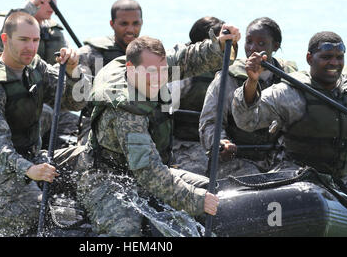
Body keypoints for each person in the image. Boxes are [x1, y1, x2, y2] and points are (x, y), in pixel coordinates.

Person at [57, 28, 240, 237]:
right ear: (131, 68)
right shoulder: (125, 111)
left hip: (146, 169)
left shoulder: (149, 69)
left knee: (213, 189)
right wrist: (196, 200)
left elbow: (187, 57)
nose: (159, 78)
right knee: (125, 230)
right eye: (152, 72)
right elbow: (149, 172)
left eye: (163, 71)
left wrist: (220, 45)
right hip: (106, 177)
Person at [0, 11, 89, 236]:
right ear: (5, 39)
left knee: (89, 157)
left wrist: (73, 71)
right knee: (34, 206)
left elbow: (75, 103)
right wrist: (30, 170)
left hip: (32, 157)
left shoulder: (35, 68)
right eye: (23, 40)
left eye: (35, 40)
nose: (31, 47)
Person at [232, 31, 347, 192]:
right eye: (326, 57)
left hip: (342, 178)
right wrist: (252, 82)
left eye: (339, 57)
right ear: (309, 58)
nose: (334, 63)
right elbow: (246, 120)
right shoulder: (289, 93)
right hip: (299, 176)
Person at [199, 17, 297, 179]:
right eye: (249, 42)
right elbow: (210, 122)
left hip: (277, 158)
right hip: (237, 159)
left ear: (275, 46)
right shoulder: (228, 77)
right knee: (254, 181)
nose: (253, 48)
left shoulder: (289, 77)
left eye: (261, 43)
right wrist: (221, 143)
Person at [0, 0, 76, 148]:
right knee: (45, 113)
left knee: (81, 122)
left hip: (49, 99)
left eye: (56, 0)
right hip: (13, 102)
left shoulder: (54, 31)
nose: (53, 7)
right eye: (48, 1)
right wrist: (31, 6)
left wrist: (73, 65)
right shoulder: (5, 21)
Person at [76, 0, 143, 145]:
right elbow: (76, 98)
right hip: (97, 123)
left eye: (135, 23)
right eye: (124, 24)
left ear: (142, 23)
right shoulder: (91, 54)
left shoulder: (148, 55)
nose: (130, 30)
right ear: (112, 24)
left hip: (139, 123)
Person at [169, 16, 225, 174]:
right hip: (184, 143)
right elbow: (164, 109)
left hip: (217, 142)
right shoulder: (180, 70)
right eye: (221, 41)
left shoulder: (226, 67)